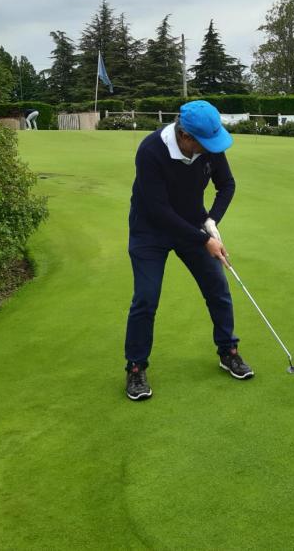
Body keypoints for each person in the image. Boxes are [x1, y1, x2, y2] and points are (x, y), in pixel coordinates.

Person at [123, 99, 253, 401]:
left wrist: (211, 222)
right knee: (146, 299)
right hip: (149, 230)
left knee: (218, 289)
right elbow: (158, 210)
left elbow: (227, 185)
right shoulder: (151, 151)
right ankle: (135, 368)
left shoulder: (210, 147)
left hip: (193, 225)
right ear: (185, 136)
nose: (211, 148)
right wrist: (203, 239)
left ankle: (228, 351)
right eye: (204, 143)